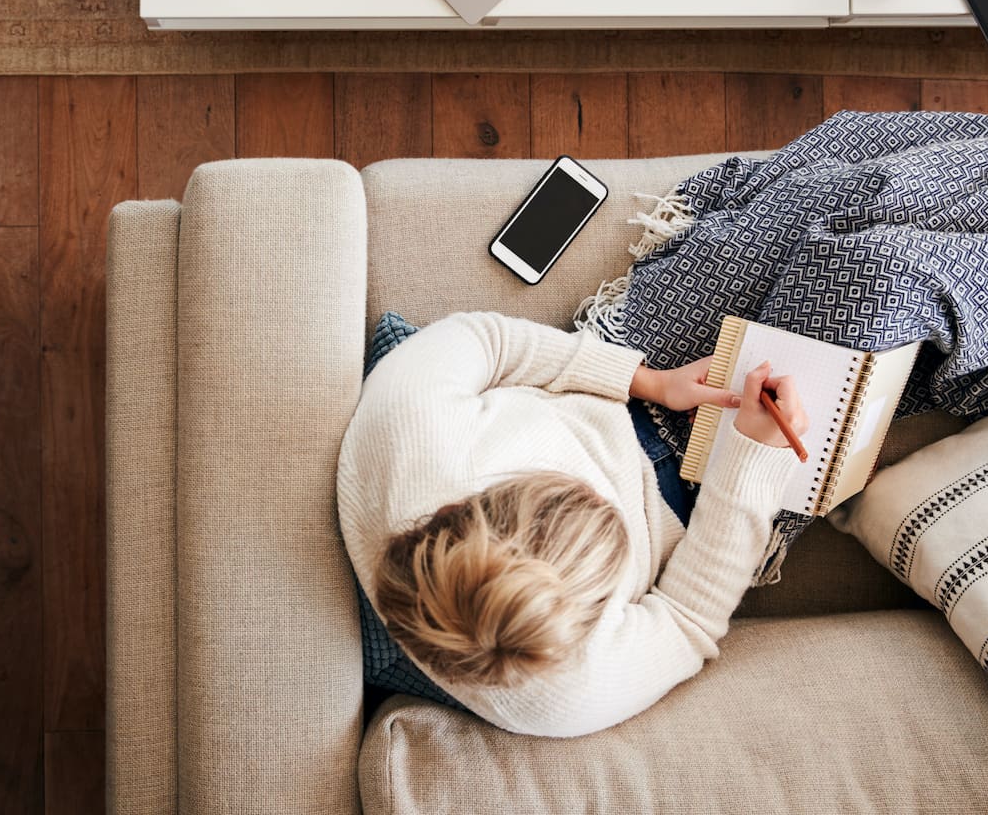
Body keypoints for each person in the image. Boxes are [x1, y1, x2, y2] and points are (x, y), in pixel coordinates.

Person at [336, 310, 809, 737]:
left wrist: (648, 382)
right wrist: (754, 455)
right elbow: (687, 620)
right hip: (701, 500)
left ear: (453, 508)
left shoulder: (407, 430)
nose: (604, 492)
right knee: (876, 283)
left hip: (619, 380)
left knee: (854, 213)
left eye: (567, 488)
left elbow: (488, 340)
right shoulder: (570, 693)